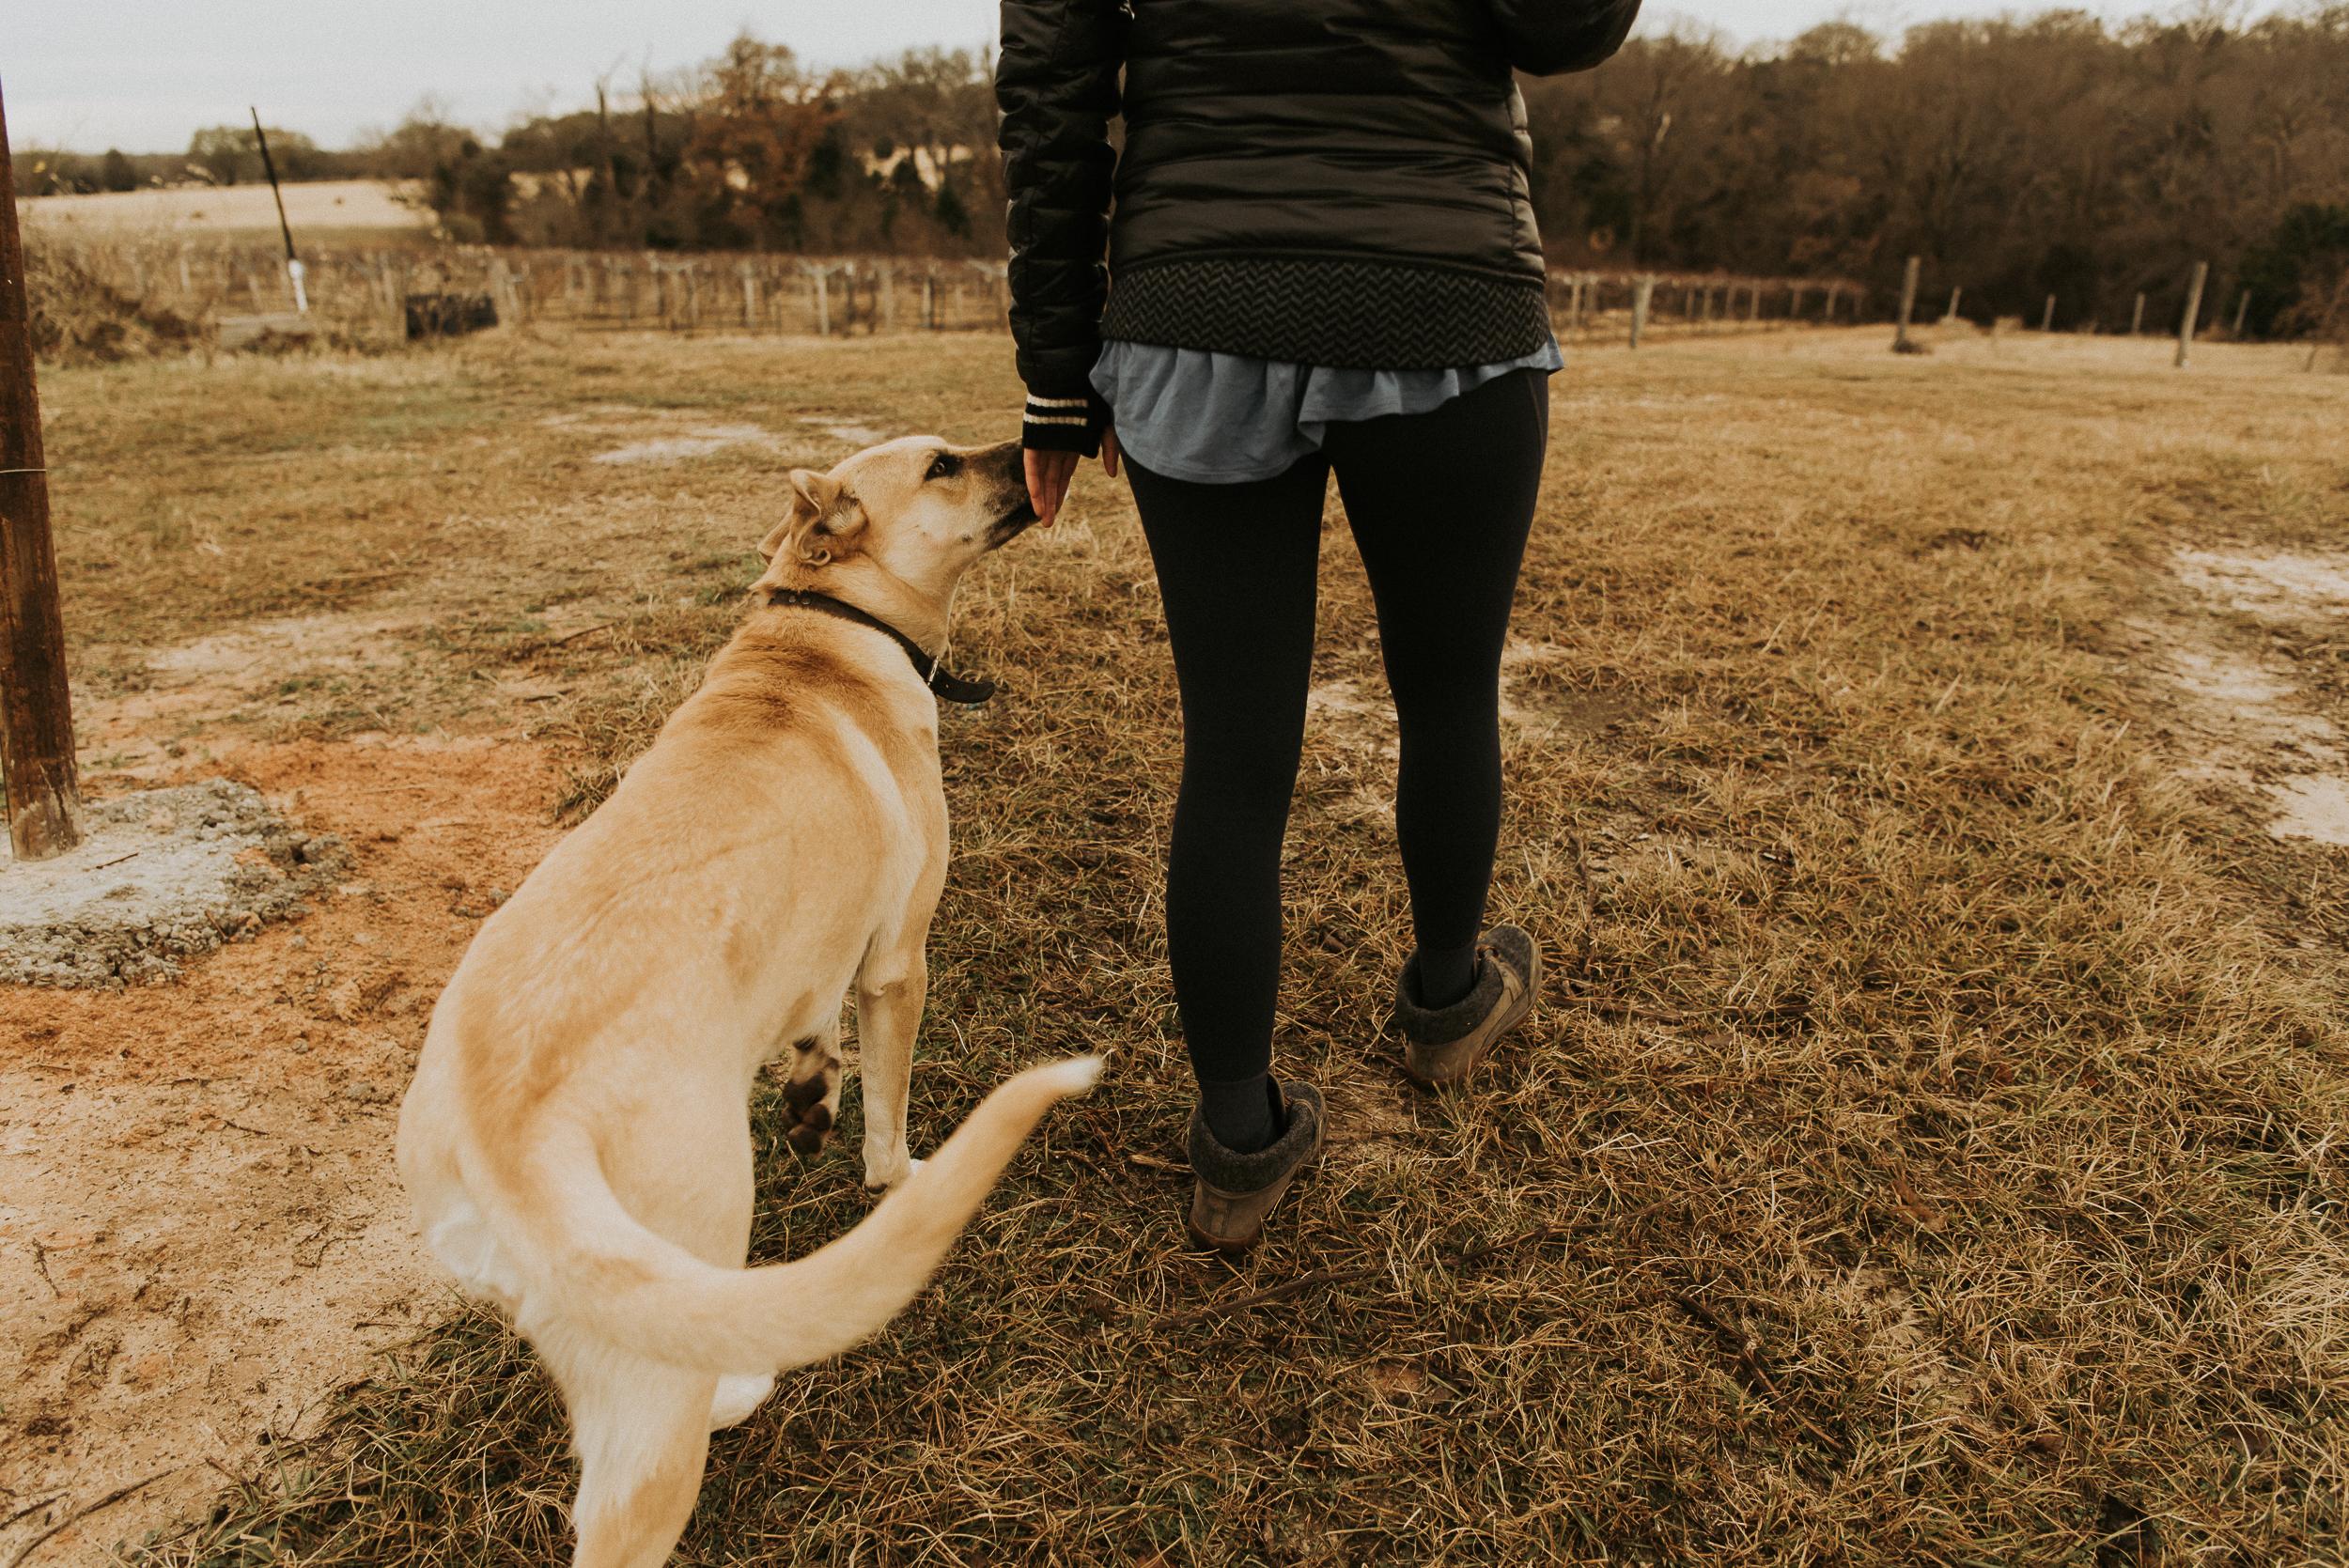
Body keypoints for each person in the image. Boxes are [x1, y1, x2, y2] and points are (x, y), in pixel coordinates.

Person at [998, 0, 1641, 1250]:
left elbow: (1051, 82)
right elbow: (1563, 22)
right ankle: (1450, 999)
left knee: (1234, 753)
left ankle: (1238, 1141)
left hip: (1199, 310)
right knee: (1450, 688)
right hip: (1442, 299)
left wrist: (1056, 372)